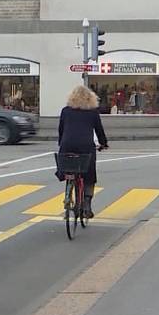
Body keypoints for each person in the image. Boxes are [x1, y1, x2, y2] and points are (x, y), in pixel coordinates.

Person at [57, 85, 109, 218]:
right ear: (90, 98)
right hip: (86, 147)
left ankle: (68, 197)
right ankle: (86, 205)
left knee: (69, 170)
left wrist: (61, 143)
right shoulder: (93, 113)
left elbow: (61, 130)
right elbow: (99, 131)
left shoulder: (65, 111)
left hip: (67, 146)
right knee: (89, 176)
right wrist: (103, 144)